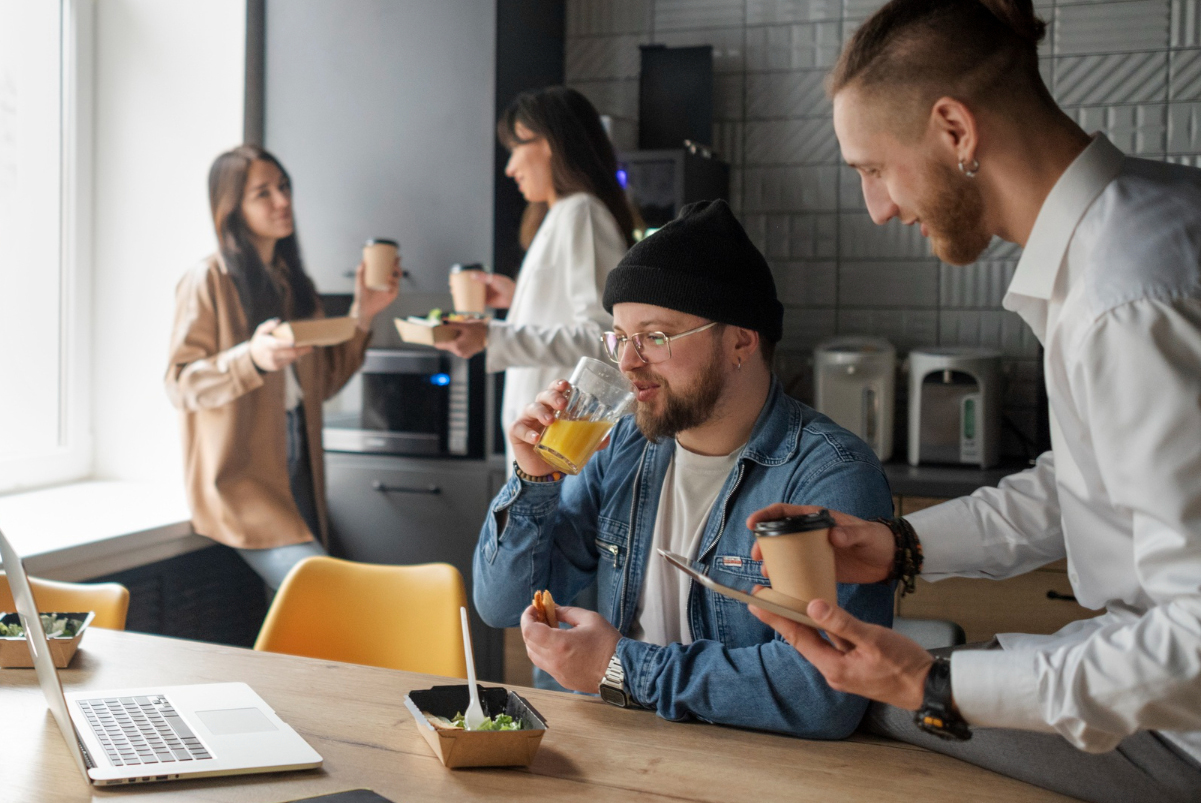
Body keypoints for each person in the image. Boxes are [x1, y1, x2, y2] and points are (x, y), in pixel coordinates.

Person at [746, 2, 1201, 801]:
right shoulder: (1147, 223)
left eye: (872, 169)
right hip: (1149, 674)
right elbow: (1084, 486)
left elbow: (1193, 647)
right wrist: (898, 546)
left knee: (870, 720)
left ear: (954, 129)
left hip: (1183, 729)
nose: (877, 208)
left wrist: (930, 684)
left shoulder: (1124, 299)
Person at [472, 200, 895, 738]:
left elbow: (823, 695)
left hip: (752, 771)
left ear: (741, 339)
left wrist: (620, 667)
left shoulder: (828, 475)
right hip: (608, 753)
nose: (627, 362)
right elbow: (502, 603)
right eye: (619, 338)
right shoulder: (623, 447)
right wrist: (533, 480)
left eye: (654, 336)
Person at [166, 145, 398, 589]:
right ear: (232, 208)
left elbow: (324, 383)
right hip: (242, 481)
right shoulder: (206, 280)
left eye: (284, 187)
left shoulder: (294, 283)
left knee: (302, 618)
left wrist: (364, 315)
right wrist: (251, 358)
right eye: (263, 193)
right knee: (323, 593)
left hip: (299, 465)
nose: (282, 201)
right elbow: (180, 384)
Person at [433, 86, 634, 466]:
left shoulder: (581, 212)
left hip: (564, 449)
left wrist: (493, 336)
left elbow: (604, 339)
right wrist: (518, 299)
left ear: (554, 144)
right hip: (547, 448)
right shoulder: (558, 216)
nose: (510, 168)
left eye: (516, 147)